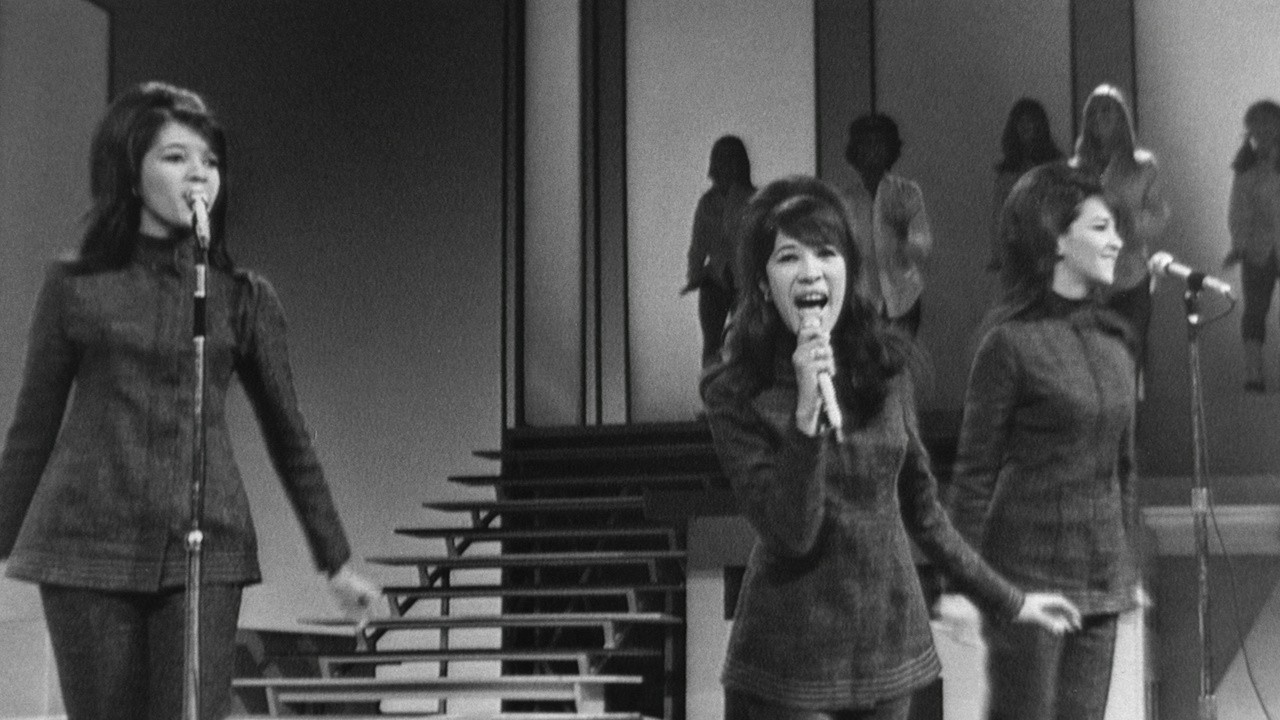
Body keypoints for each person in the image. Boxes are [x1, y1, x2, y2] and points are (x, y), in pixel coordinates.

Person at [0, 81, 380, 720]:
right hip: (85, 546)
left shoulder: (243, 298)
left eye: (209, 161)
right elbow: (32, 429)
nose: (198, 173)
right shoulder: (76, 286)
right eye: (176, 157)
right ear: (131, 173)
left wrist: (335, 562)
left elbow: (290, 437)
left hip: (205, 544)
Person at [701, 174, 1081, 720]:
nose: (810, 271)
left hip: (884, 652)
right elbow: (791, 534)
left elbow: (925, 513)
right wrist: (807, 416)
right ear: (763, 285)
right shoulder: (735, 392)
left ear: (848, 270)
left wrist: (1011, 600)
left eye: (826, 253)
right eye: (788, 257)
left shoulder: (885, 367)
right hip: (786, 662)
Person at [949, 162, 1142, 720]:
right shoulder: (1009, 345)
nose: (1117, 241)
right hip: (1026, 579)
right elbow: (974, 475)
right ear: (1057, 239)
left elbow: (1125, 469)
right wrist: (961, 586)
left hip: (1101, 580)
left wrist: (1128, 567)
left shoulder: (1116, 344)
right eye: (1101, 227)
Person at [1069, 84, 1169, 362]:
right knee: (1092, 362)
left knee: (1128, 359)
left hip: (1129, 276)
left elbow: (1159, 215)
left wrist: (1129, 223)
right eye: (1093, 112)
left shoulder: (1142, 166)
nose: (1099, 117)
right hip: (1089, 282)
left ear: (1121, 118)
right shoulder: (1077, 168)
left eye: (1107, 111)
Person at [840, 113, 932, 337]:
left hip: (903, 299)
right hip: (862, 302)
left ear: (890, 149)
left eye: (879, 143)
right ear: (856, 151)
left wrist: (903, 237)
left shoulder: (907, 192)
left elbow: (923, 247)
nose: (873, 150)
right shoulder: (845, 200)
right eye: (866, 143)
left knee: (900, 357)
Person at [684, 134, 756, 367]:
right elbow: (698, 245)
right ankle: (711, 385)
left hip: (745, 283)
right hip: (714, 280)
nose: (726, 165)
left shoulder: (754, 200)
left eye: (731, 158)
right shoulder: (707, 203)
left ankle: (741, 385)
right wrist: (695, 275)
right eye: (721, 159)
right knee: (712, 345)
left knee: (745, 342)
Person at [1224, 99, 1280, 393]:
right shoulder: (1246, 167)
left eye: (1270, 123)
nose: (1265, 131)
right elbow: (1238, 210)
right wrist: (1240, 244)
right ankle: (1253, 370)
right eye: (1258, 126)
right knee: (1255, 310)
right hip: (1258, 249)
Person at [989, 98, 1066, 272]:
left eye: (1031, 121)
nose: (1026, 127)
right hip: (1017, 256)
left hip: (1050, 253)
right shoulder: (1008, 173)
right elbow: (999, 217)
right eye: (1021, 122)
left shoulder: (1056, 167)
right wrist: (998, 254)